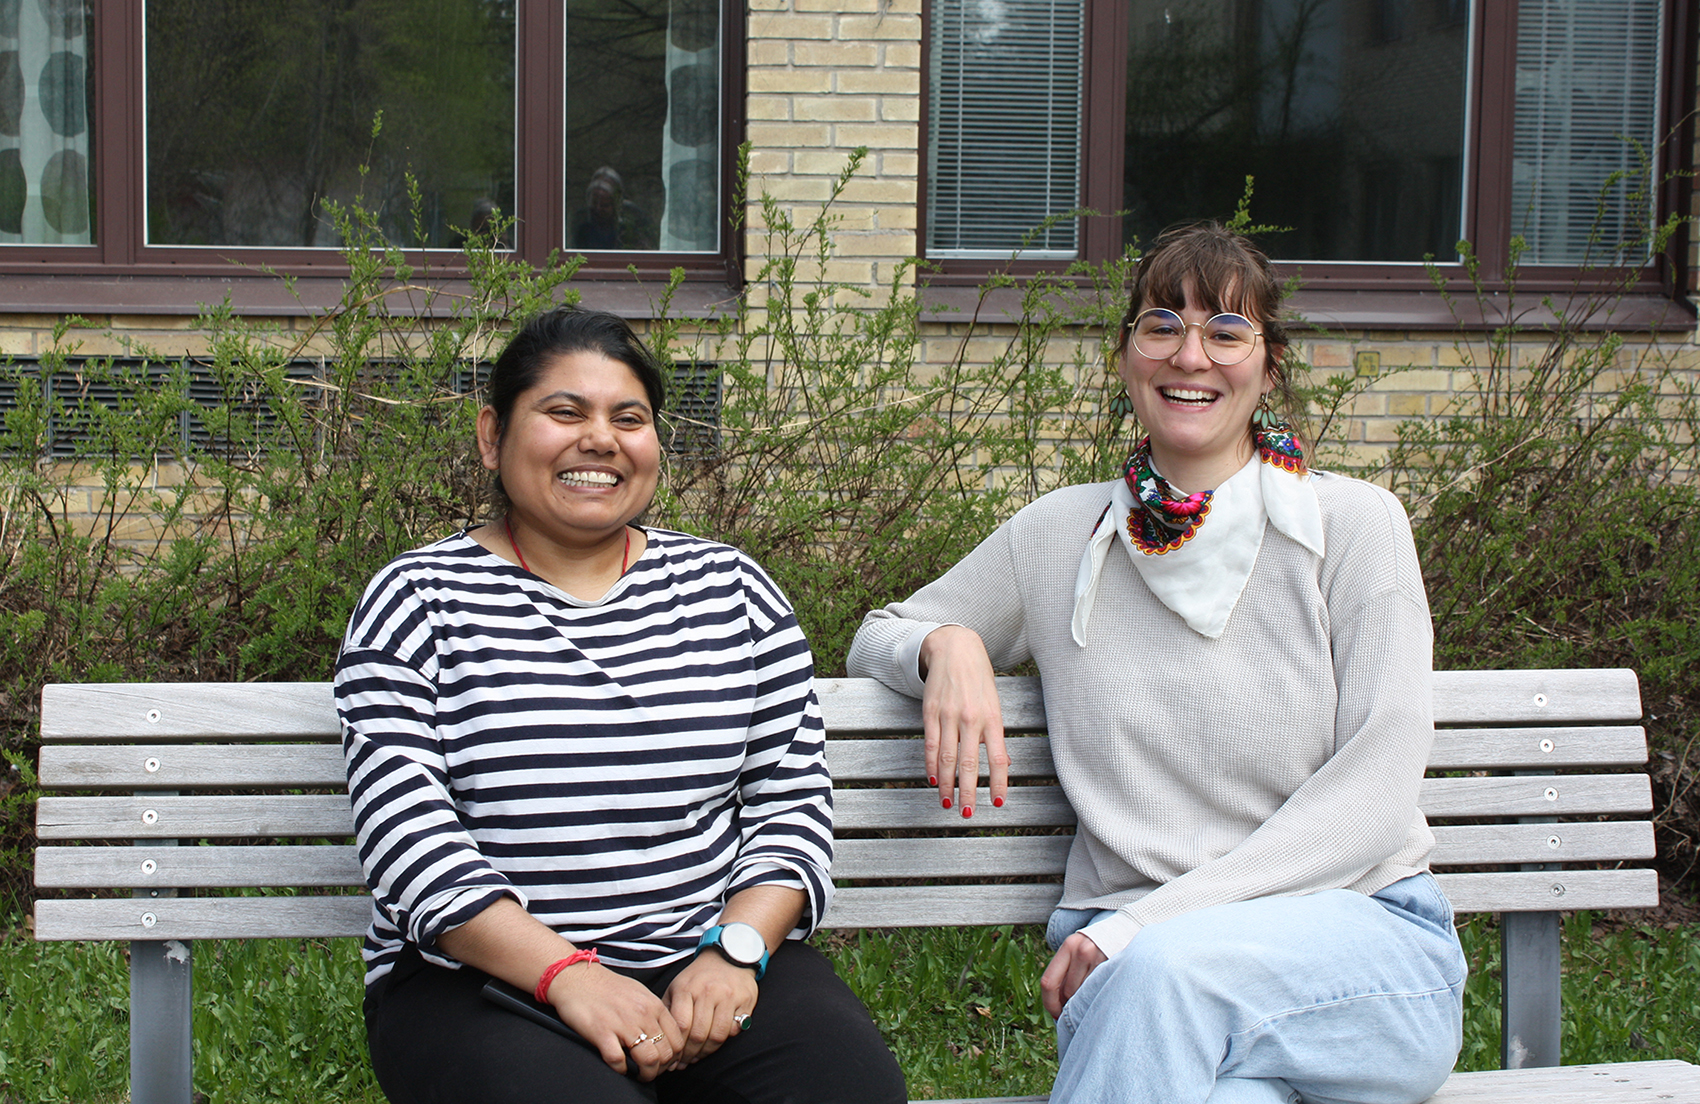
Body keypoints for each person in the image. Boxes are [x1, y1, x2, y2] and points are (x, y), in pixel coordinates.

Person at [846, 222, 1466, 1104]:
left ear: (1270, 364)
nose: (1192, 355)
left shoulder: (1355, 527)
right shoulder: (1058, 536)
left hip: (1360, 951)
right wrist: (945, 644)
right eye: (1162, 325)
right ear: (1127, 356)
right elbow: (879, 633)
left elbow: (1375, 795)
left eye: (1226, 331)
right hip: (1123, 963)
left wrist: (1150, 925)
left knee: (1172, 973)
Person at [337, 307, 905, 1104]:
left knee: (846, 1089)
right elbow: (408, 839)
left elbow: (790, 803)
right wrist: (567, 973)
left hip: (706, 960)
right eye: (564, 412)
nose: (599, 440)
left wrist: (737, 950)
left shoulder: (732, 592)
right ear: (492, 435)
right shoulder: (418, 601)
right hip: (479, 981)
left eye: (628, 418)